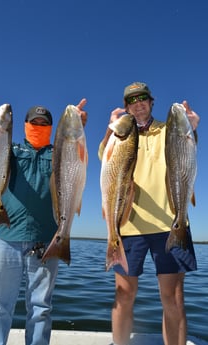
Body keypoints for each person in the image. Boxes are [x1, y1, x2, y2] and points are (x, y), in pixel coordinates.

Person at [98, 82, 200, 345]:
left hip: (171, 224)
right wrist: (110, 129)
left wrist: (192, 128)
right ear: (126, 106)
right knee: (123, 294)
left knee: (174, 297)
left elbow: (186, 151)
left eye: (143, 98)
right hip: (128, 226)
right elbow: (104, 157)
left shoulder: (169, 130)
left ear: (151, 102)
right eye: (132, 100)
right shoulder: (121, 134)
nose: (138, 103)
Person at [0, 99, 87, 345]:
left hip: (47, 241)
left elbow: (80, 159)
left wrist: (78, 128)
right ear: (24, 125)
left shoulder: (60, 152)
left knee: (41, 308)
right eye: (34, 123)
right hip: (6, 238)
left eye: (44, 124)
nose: (38, 127)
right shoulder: (12, 150)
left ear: (52, 128)